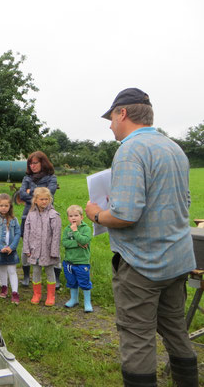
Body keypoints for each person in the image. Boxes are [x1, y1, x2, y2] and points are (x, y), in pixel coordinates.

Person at [85, 88, 198, 387]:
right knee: (176, 330)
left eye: (111, 118)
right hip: (178, 260)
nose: (110, 125)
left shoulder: (129, 150)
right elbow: (183, 202)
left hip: (143, 265)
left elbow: (125, 215)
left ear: (122, 113)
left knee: (137, 338)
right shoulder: (174, 148)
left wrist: (95, 213)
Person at [19, 151, 59, 288]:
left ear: (43, 163)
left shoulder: (51, 177)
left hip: (48, 216)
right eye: (30, 163)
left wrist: (32, 194)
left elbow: (49, 195)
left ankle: (55, 278)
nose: (32, 166)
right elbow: (22, 194)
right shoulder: (27, 178)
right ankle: (26, 276)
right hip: (28, 215)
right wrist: (39, 196)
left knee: (50, 243)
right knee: (27, 244)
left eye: (35, 163)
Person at [23, 187, 61, 306]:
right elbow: (26, 233)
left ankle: (51, 295)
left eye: (46, 199)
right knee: (36, 271)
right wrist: (26, 249)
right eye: (41, 199)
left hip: (48, 251)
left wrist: (54, 252)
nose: (44, 201)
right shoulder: (31, 214)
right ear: (35, 200)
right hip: (34, 250)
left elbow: (56, 235)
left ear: (50, 199)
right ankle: (37, 294)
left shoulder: (54, 215)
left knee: (50, 271)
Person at [0, 193, 21, 304]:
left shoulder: (14, 219)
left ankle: (15, 292)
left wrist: (12, 247)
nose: (3, 208)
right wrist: (0, 247)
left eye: (6, 206)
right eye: (1, 205)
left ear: (10, 207)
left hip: (11, 250)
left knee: (12, 270)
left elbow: (17, 233)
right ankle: (4, 287)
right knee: (2, 269)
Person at [61, 205, 93, 313]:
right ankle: (74, 299)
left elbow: (84, 241)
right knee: (72, 281)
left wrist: (75, 231)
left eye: (76, 215)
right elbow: (65, 243)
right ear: (68, 218)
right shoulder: (66, 229)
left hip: (82, 262)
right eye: (71, 216)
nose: (73, 218)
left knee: (84, 282)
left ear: (82, 217)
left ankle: (87, 302)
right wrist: (77, 243)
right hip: (69, 261)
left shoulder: (86, 228)